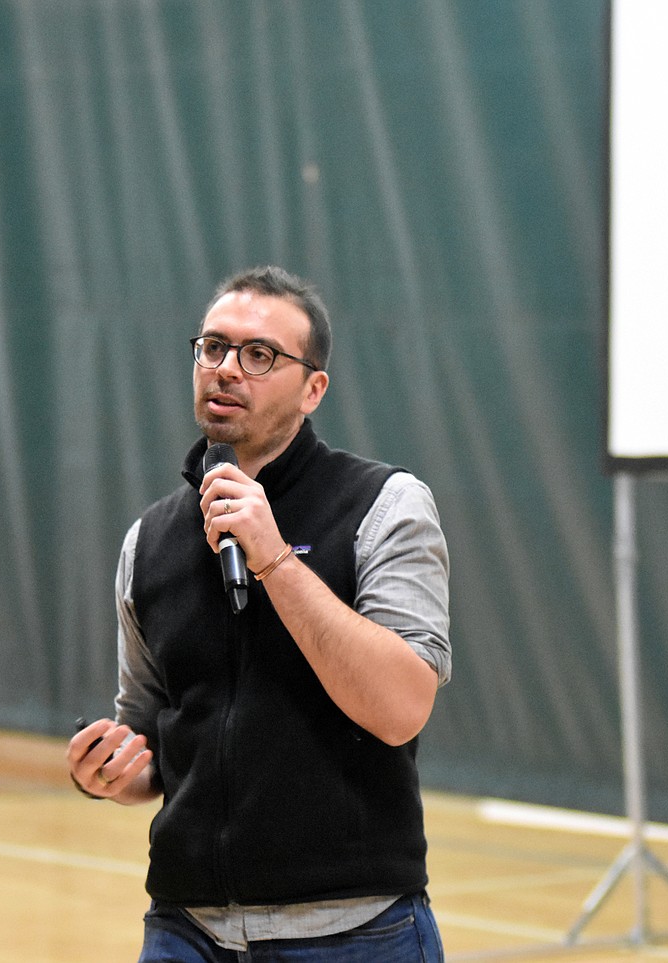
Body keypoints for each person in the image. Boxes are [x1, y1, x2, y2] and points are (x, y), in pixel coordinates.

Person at [67, 265, 451, 962]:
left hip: (353, 933)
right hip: (187, 929)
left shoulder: (385, 506)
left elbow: (401, 706)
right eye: (212, 347)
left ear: (313, 389)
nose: (226, 369)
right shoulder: (148, 540)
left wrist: (275, 559)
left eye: (259, 355)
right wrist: (116, 773)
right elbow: (150, 730)